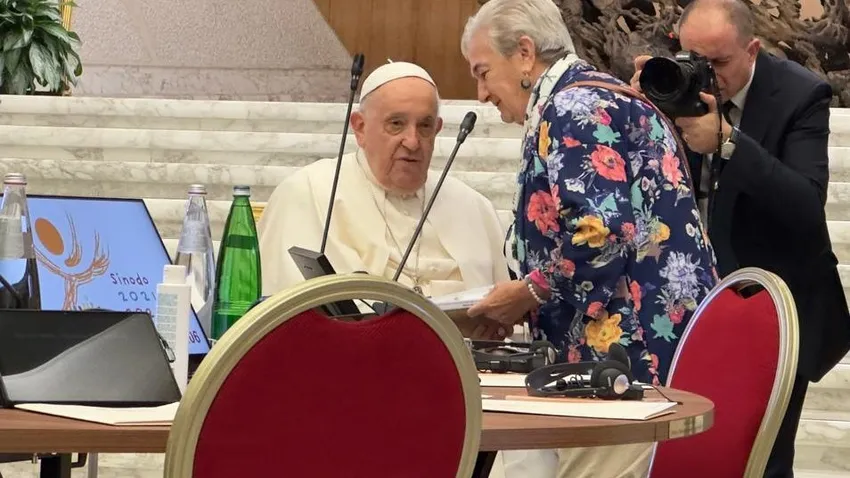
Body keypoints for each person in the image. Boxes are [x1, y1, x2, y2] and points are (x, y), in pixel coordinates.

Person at [460, 0, 718, 476]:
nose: (481, 93)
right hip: (642, 352)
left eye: (483, 72)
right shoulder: (592, 95)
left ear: (524, 53)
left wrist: (528, 292)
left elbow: (600, 235)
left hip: (625, 361)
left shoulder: (573, 107)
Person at [630, 1, 850, 476]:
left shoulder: (800, 93)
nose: (706, 74)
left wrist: (729, 142)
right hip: (686, 309)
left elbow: (805, 204)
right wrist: (640, 112)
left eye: (719, 62)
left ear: (752, 50)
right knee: (686, 456)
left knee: (762, 462)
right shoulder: (670, 85)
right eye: (694, 58)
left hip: (772, 306)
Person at [257, 61, 511, 310]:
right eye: (396, 124)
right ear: (360, 128)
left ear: (437, 129)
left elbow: (504, 318)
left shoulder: (474, 208)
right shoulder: (309, 192)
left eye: (424, 126)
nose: (412, 141)